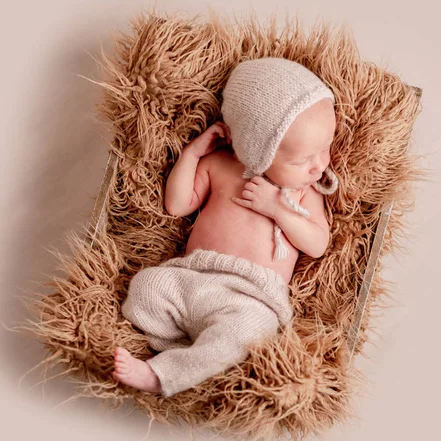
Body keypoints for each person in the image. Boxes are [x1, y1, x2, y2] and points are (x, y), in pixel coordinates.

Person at [112, 57, 339, 397]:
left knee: (247, 330)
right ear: (254, 150)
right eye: (302, 159)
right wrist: (192, 155)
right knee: (147, 285)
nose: (319, 165)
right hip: (193, 276)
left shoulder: (301, 192)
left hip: (252, 298)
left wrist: (278, 209)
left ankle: (163, 375)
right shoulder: (220, 166)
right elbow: (176, 205)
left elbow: (318, 243)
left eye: (324, 149)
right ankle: (190, 351)